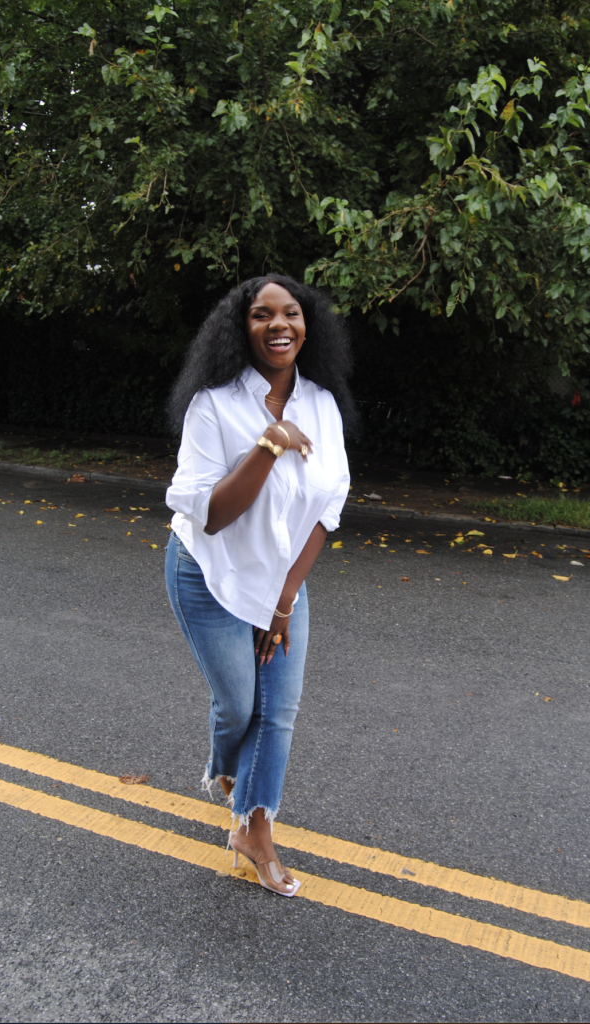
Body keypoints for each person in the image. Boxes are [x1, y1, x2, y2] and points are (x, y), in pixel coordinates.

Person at [164, 274, 355, 897]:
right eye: (262, 314)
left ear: (307, 326)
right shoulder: (213, 406)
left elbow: (329, 506)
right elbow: (212, 516)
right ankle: (226, 768)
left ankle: (254, 827)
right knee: (239, 707)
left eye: (291, 313)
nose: (279, 324)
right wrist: (269, 444)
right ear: (240, 328)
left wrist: (285, 598)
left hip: (280, 581)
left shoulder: (322, 405)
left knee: (278, 712)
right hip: (209, 573)